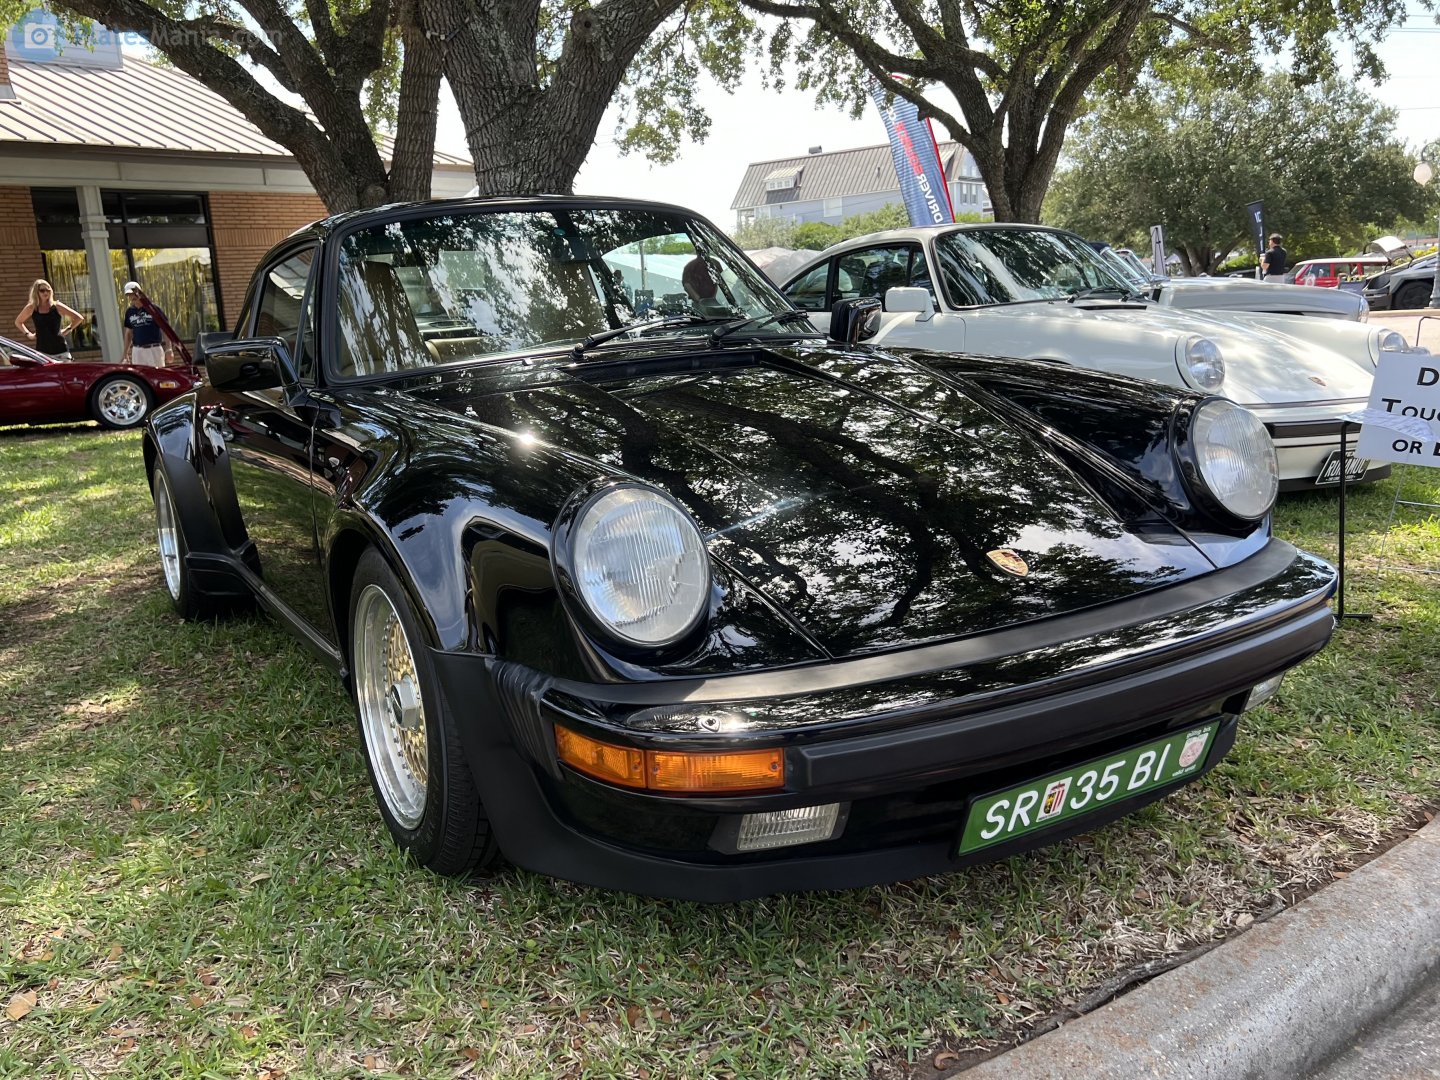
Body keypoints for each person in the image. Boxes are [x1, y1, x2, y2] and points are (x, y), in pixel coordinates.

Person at [14, 279, 87, 360]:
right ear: (36, 292)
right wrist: (28, 334)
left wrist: (67, 330)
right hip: (42, 351)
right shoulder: (32, 308)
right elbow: (18, 322)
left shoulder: (57, 306)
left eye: (48, 290)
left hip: (61, 351)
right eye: (42, 290)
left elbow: (78, 318)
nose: (45, 293)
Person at [121, 281, 173, 367]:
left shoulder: (153, 309)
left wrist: (169, 348)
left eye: (134, 293)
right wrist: (125, 353)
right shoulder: (130, 312)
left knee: (158, 376)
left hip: (154, 349)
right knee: (140, 377)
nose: (132, 296)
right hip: (138, 351)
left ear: (140, 292)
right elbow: (129, 333)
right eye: (129, 294)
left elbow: (165, 329)